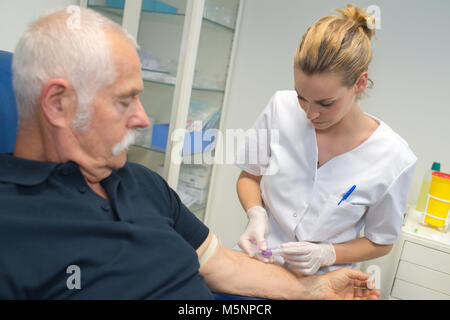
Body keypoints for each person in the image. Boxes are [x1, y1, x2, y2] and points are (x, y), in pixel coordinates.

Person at [0, 6, 380, 300]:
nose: (142, 119)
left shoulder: (143, 184)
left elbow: (224, 266)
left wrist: (317, 288)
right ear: (58, 103)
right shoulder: (13, 222)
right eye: (124, 101)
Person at [236, 4, 417, 275]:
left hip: (324, 282)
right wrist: (256, 213)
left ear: (360, 84)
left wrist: (327, 253)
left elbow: (381, 241)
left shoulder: (393, 157)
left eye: (326, 103)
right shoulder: (280, 108)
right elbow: (250, 176)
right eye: (301, 97)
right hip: (260, 265)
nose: (310, 113)